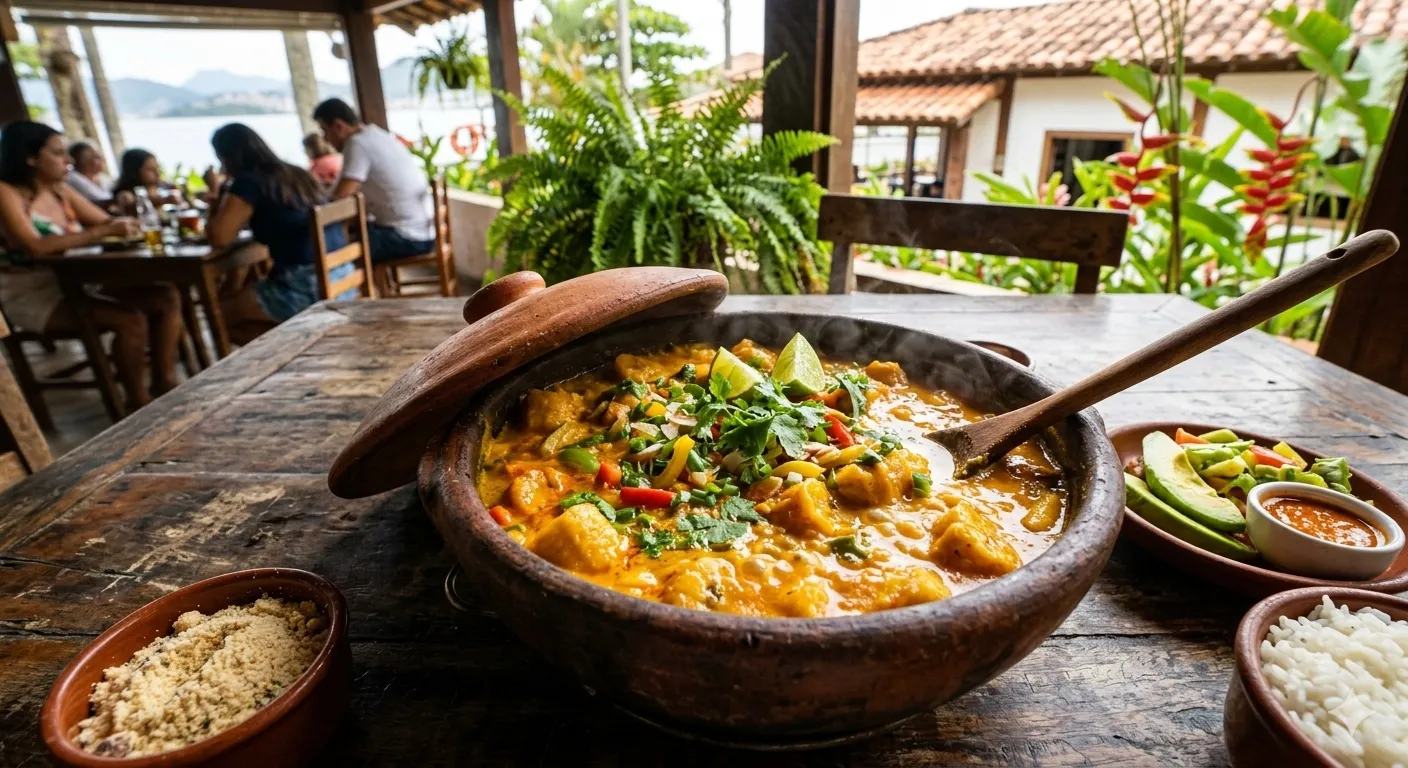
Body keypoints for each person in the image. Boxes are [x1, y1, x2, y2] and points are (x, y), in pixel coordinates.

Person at [0, 122, 184, 409]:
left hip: (81, 282)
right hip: (35, 294)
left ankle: (165, 381)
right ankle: (138, 402)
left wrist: (125, 217)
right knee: (129, 319)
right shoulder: (6, 192)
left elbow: (104, 221)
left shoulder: (60, 189)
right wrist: (100, 232)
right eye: (58, 153)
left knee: (165, 297)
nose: (68, 160)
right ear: (31, 158)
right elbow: (34, 246)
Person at [205, 123, 348, 339]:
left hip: (307, 285)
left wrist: (215, 190)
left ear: (226, 157)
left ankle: (300, 346)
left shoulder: (248, 182)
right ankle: (300, 347)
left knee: (223, 312)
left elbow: (219, 237)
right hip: (342, 273)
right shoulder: (296, 172)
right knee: (241, 293)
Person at [312, 98, 434, 264]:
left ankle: (355, 288)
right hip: (424, 231)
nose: (326, 140)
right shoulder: (377, 134)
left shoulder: (357, 144)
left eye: (325, 131)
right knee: (352, 234)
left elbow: (339, 198)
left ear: (339, 126)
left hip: (406, 237)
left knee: (335, 251)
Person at [112, 148, 186, 213]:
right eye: (150, 169)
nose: (157, 172)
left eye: (157, 167)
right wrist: (163, 200)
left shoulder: (166, 187)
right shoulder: (126, 195)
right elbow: (132, 208)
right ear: (135, 172)